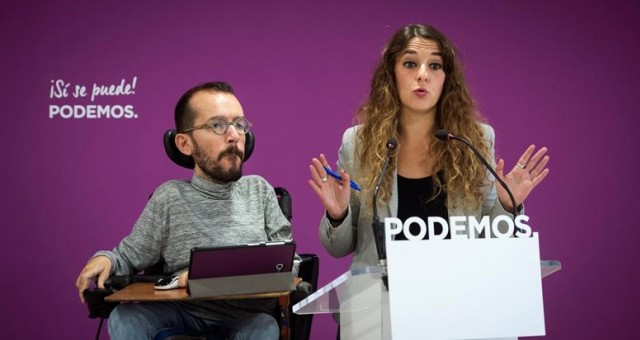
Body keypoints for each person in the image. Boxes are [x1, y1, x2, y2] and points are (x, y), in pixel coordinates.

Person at [308, 24, 550, 268]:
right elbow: (338, 248)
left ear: (446, 78)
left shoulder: (475, 140)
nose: (423, 74)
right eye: (410, 64)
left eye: (435, 65)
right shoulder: (359, 142)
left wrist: (506, 205)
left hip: (455, 295)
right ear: (392, 74)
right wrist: (337, 216)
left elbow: (491, 238)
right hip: (381, 299)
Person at [76, 81, 295, 340]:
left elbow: (289, 265)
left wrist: (208, 275)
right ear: (184, 144)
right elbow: (127, 257)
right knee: (126, 318)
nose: (234, 135)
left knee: (265, 329)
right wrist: (106, 259)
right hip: (182, 311)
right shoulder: (170, 197)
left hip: (246, 318)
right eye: (218, 125)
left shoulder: (260, 191)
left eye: (239, 124)